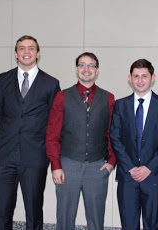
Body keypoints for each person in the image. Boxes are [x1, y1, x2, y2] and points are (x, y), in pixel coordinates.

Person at [0, 35, 61, 230]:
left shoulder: (51, 83)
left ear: (38, 53)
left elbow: (54, 124)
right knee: (3, 212)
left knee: (34, 212)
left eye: (31, 48)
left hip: (35, 157)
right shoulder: (2, 79)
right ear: (16, 53)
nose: (26, 52)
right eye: (22, 48)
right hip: (4, 157)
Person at [46, 52, 116, 230]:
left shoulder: (108, 98)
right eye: (82, 65)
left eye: (91, 65)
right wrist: (56, 165)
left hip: (97, 166)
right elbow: (52, 133)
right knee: (64, 218)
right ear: (77, 69)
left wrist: (111, 163)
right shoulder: (62, 96)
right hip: (68, 165)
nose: (87, 69)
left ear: (97, 70)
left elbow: (112, 133)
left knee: (96, 220)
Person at [110, 59, 158, 230]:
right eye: (136, 76)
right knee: (128, 225)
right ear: (129, 78)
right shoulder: (120, 105)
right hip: (127, 176)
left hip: (154, 176)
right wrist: (131, 167)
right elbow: (114, 138)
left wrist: (148, 168)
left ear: (152, 77)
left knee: (153, 225)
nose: (140, 80)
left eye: (144, 76)